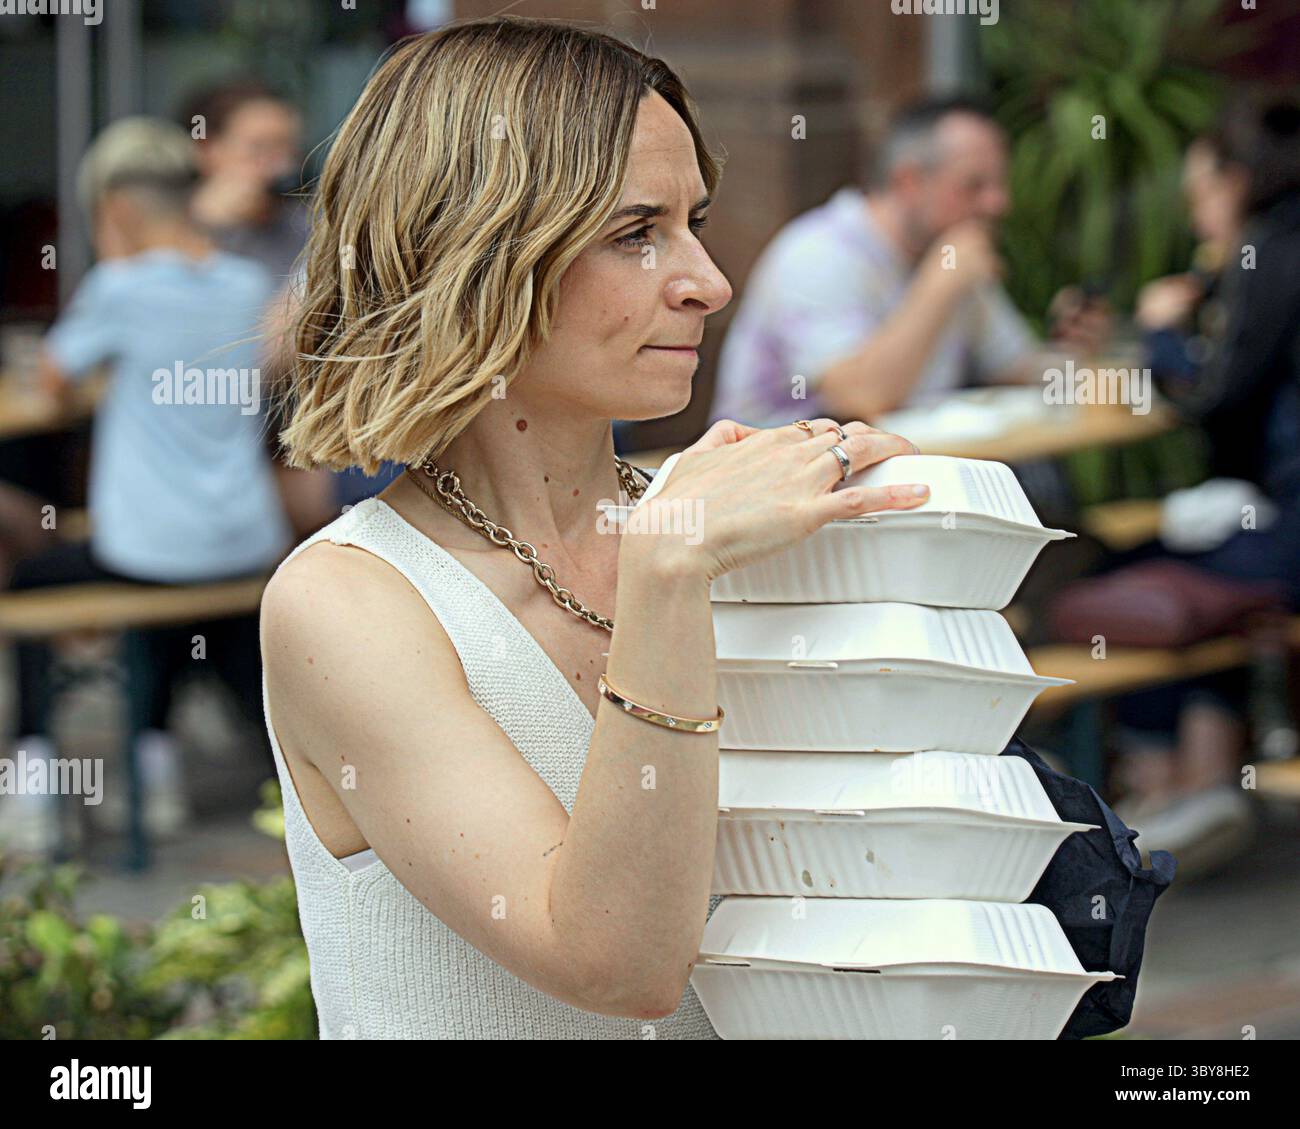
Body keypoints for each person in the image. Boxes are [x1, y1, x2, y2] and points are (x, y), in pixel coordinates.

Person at [259, 16, 934, 1039]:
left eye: (694, 223)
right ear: (474, 253)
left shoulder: (707, 525)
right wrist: (667, 570)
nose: (709, 282)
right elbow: (615, 964)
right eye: (635, 233)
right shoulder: (346, 602)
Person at [0, 118, 293, 854]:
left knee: (30, 578)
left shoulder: (119, 287)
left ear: (119, 211)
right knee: (164, 588)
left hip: (154, 547)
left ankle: (34, 781)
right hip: (245, 535)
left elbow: (56, 384)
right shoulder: (245, 282)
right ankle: (155, 762)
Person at [1107, 96, 1300, 872]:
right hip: (1278, 523)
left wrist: (1159, 330)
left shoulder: (1272, 251)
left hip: (1291, 539)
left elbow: (1215, 396)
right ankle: (1208, 778)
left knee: (1131, 569)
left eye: (1199, 197)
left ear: (1237, 180)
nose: (1196, 220)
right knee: (1209, 552)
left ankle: (1158, 791)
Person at [709, 95, 1110, 429]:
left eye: (1000, 184)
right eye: (974, 185)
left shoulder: (949, 252)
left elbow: (1017, 367)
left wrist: (1073, 350)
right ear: (909, 182)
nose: (998, 203)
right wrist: (940, 286)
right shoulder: (817, 253)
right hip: (782, 498)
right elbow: (861, 397)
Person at [181, 79, 310, 286]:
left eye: (286, 147)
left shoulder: (312, 227)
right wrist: (204, 224)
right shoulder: (170, 225)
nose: (281, 163)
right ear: (207, 150)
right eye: (260, 148)